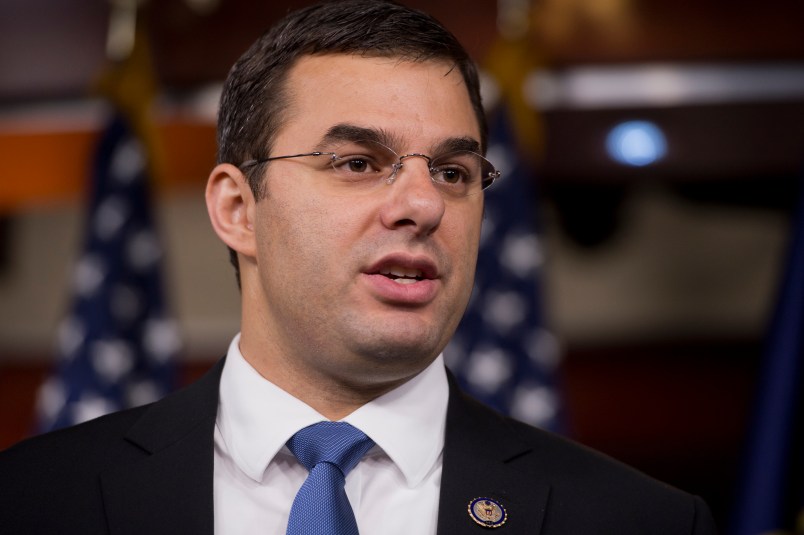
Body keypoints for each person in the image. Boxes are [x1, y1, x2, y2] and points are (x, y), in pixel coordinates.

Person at [0, 1, 718, 533]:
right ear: (238, 208)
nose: (423, 203)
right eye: (357, 162)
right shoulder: (30, 501)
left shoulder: (639, 520)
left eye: (453, 170)